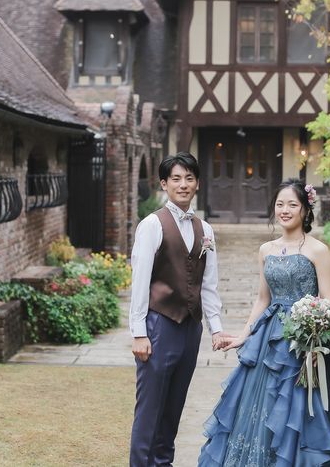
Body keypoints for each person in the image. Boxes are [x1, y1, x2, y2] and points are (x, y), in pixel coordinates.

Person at [198, 178, 330, 466]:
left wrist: (316, 341)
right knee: (263, 407)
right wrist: (245, 335)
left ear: (305, 210)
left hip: (306, 340)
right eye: (280, 204)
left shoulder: (318, 250)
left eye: (292, 205)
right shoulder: (266, 250)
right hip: (270, 340)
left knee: (306, 408)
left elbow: (327, 300)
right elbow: (262, 299)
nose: (285, 210)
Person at [129, 152, 227, 467]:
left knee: (173, 408)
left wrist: (216, 327)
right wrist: (139, 333)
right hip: (159, 324)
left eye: (189, 178)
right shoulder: (152, 225)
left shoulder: (205, 230)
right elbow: (140, 281)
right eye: (176, 179)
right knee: (150, 410)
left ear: (197, 183)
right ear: (164, 184)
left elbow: (208, 283)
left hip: (190, 329)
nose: (183, 184)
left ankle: (163, 463)